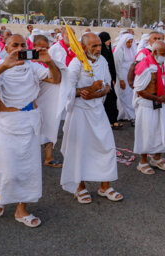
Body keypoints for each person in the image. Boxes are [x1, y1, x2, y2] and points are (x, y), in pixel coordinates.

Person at [0, 34, 61, 227]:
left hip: (30, 121)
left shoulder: (33, 67)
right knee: (9, 169)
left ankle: (21, 209)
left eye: (22, 45)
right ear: (6, 47)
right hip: (7, 124)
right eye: (15, 45)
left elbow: (56, 79)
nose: (19, 48)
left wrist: (49, 62)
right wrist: (5, 65)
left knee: (29, 169)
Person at [61, 33, 123, 204]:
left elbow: (107, 85)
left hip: (97, 111)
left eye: (99, 46)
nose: (97, 49)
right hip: (80, 113)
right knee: (80, 150)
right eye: (93, 46)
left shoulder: (102, 61)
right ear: (83, 46)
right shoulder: (76, 63)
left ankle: (105, 186)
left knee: (106, 147)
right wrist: (85, 90)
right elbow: (67, 91)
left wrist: (99, 92)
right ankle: (79, 187)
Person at [133, 41, 165, 175]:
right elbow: (139, 90)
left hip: (161, 103)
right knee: (147, 134)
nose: (164, 56)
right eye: (162, 54)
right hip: (147, 105)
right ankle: (143, 162)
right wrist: (158, 98)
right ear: (154, 52)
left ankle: (156, 159)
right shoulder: (145, 65)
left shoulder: (161, 64)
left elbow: (164, 81)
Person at [33, 34, 69, 168]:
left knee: (50, 125)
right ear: (34, 47)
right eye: (41, 47)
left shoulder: (50, 60)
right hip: (33, 100)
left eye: (46, 47)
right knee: (31, 130)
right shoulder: (29, 63)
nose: (44, 50)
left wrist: (49, 63)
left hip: (49, 101)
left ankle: (48, 157)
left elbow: (57, 78)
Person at [99, 32, 122, 129]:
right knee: (108, 100)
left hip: (110, 79)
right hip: (103, 80)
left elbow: (112, 65)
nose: (109, 41)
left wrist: (113, 77)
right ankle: (110, 121)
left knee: (112, 99)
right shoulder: (101, 52)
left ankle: (113, 120)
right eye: (107, 39)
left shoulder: (108, 50)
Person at [114, 34, 136, 125]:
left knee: (129, 95)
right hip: (122, 75)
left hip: (131, 75)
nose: (130, 44)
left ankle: (123, 115)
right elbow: (118, 66)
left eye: (131, 42)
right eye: (128, 42)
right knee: (123, 95)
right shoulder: (119, 50)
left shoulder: (132, 49)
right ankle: (132, 116)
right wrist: (121, 79)